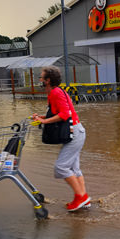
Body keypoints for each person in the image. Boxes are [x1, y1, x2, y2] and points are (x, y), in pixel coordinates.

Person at [31, 67, 91, 212]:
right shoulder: (55, 92)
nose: (39, 80)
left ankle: (81, 197)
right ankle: (84, 199)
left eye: (41, 77)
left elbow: (65, 114)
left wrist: (44, 122)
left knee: (61, 167)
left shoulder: (56, 93)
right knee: (74, 168)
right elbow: (60, 113)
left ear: (48, 80)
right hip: (76, 131)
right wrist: (42, 117)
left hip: (74, 133)